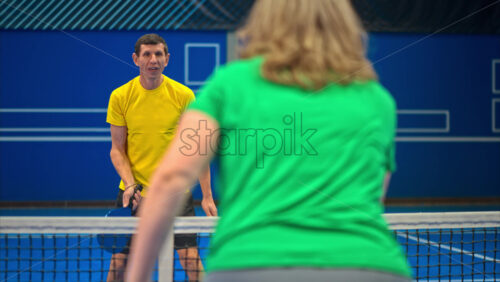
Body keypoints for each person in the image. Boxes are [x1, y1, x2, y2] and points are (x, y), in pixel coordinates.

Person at [126, 1, 412, 282]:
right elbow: (373, 198)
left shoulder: (229, 84)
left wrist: (136, 277)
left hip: (249, 263)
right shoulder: (377, 99)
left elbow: (171, 179)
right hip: (373, 265)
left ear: (266, 20)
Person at [106, 33, 217, 282]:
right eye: (147, 54)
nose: (153, 59)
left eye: (158, 54)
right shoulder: (120, 97)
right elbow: (117, 149)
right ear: (136, 59)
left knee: (190, 259)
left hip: (177, 194)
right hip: (134, 195)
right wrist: (130, 183)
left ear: (167, 59)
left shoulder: (183, 96)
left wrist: (207, 195)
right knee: (119, 263)